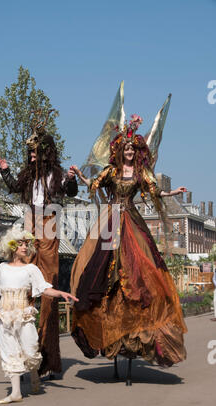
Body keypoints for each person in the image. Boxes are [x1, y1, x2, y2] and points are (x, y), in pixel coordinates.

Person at [70, 114, 187, 367]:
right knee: (100, 267)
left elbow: (154, 191)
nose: (130, 151)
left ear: (137, 151)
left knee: (141, 267)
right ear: (120, 150)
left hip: (131, 220)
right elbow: (94, 183)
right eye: (127, 147)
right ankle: (105, 324)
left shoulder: (141, 172)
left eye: (133, 148)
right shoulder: (112, 171)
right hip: (111, 220)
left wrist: (173, 192)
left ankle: (138, 325)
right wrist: (80, 175)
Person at [0, 225, 78, 404]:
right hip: (5, 316)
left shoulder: (31, 269)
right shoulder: (2, 268)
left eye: (26, 244)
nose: (24, 247)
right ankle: (15, 393)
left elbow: (44, 288)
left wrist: (61, 293)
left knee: (30, 350)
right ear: (12, 246)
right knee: (9, 351)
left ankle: (34, 376)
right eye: (20, 244)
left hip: (24, 315)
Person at [0, 112, 78, 376]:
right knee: (26, 277)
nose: (31, 156)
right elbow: (12, 186)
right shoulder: (28, 176)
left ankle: (47, 355)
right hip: (32, 221)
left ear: (45, 153)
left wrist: (72, 178)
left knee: (48, 282)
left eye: (35, 152)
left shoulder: (55, 175)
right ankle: (25, 349)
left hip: (49, 222)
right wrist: (4, 170)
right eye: (29, 152)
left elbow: (70, 191)